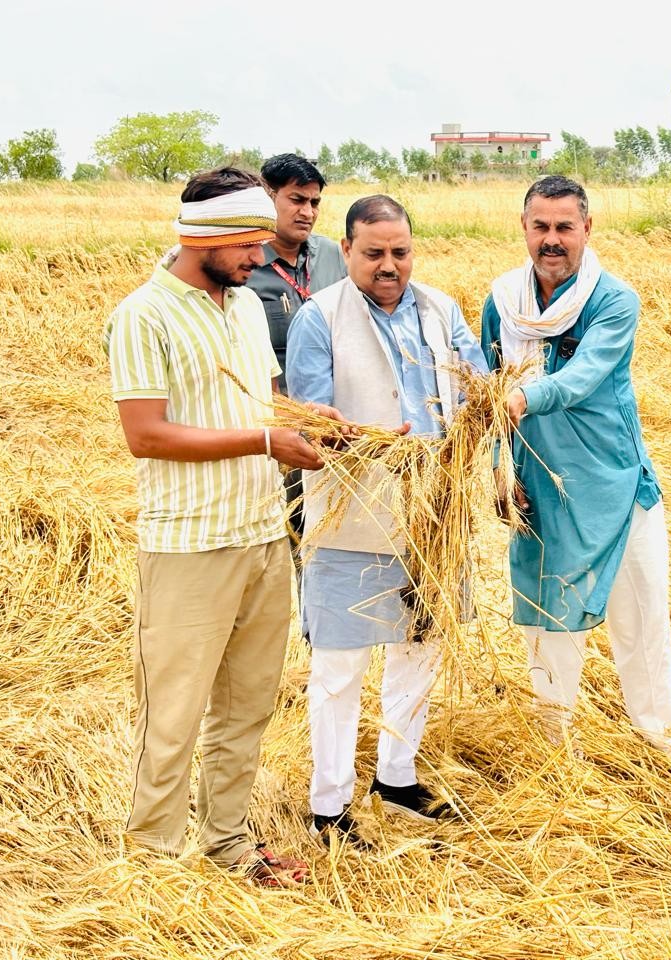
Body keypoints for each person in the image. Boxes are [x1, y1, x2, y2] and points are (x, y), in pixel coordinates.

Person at [104, 166, 342, 887]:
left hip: (265, 537)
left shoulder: (241, 306)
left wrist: (315, 421)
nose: (262, 259)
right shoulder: (142, 315)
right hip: (188, 548)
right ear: (210, 235)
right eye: (251, 243)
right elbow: (147, 435)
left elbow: (265, 401)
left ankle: (228, 846)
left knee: (245, 712)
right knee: (171, 718)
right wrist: (268, 443)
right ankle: (150, 865)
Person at [287, 195, 486, 848]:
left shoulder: (441, 309)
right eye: (373, 253)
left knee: (419, 651)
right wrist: (359, 438)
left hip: (432, 519)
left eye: (400, 252)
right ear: (346, 251)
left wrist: (480, 411)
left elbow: (475, 382)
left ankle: (396, 777)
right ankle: (330, 806)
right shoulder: (319, 319)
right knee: (339, 669)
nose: (389, 265)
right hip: (352, 522)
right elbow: (311, 419)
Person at [480, 175, 671, 757]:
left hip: (617, 485)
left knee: (640, 622)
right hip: (542, 485)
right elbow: (492, 390)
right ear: (523, 228)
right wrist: (500, 466)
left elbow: (584, 374)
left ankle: (660, 741)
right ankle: (553, 750)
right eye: (540, 226)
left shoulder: (613, 301)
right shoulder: (503, 303)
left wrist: (525, 397)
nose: (552, 239)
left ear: (587, 230)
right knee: (547, 620)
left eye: (564, 227)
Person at [247, 153, 348, 545]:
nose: (307, 212)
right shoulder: (245, 262)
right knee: (295, 532)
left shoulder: (334, 256)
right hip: (280, 426)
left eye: (315, 202)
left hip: (337, 422)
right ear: (267, 198)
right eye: (296, 200)